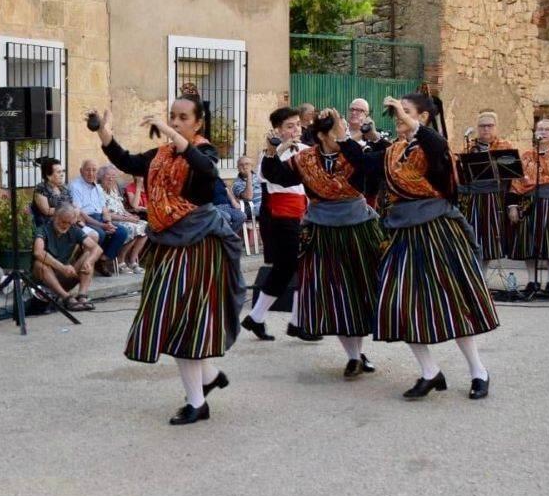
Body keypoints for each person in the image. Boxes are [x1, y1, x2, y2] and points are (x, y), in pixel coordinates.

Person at [92, 96, 246, 426]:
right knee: (177, 322)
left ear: (197, 123)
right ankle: (208, 377)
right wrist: (103, 133)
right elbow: (127, 161)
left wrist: (174, 138)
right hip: (168, 245)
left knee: (182, 324)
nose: (175, 122)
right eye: (172, 117)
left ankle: (197, 402)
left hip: (197, 247)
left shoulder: (204, 152)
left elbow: (206, 175)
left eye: (182, 117)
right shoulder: (160, 155)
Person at [377, 94, 498, 400]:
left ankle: (478, 371)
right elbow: (363, 165)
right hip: (403, 232)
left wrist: (410, 123)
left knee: (454, 303)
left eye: (405, 112)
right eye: (396, 113)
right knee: (400, 304)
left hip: (438, 231)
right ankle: (430, 372)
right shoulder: (393, 150)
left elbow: (436, 146)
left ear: (423, 118)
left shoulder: (433, 147)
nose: (398, 117)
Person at [259, 109, 383, 378]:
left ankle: (359, 353)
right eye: (336, 131)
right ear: (322, 136)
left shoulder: (352, 153)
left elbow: (371, 169)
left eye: (342, 130)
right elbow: (277, 175)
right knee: (334, 294)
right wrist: (271, 151)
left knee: (360, 291)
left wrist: (348, 139)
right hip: (323, 232)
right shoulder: (305, 159)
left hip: (358, 230)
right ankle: (353, 357)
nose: (342, 134)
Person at [243, 108, 320, 343]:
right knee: (287, 267)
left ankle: (283, 320)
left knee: (300, 267)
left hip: (304, 213)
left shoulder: (307, 150)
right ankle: (280, 321)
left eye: (297, 124)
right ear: (277, 130)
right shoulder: (269, 154)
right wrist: (278, 149)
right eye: (289, 126)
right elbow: (265, 176)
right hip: (281, 215)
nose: (296, 129)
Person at [507, 116, 549, 293]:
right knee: (529, 241)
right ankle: (532, 280)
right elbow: (515, 182)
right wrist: (513, 206)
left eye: (548, 129)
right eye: (540, 129)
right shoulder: (526, 156)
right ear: (535, 133)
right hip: (529, 202)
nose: (543, 132)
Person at [458, 110, 514, 267]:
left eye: (490, 126)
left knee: (489, 237)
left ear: (496, 127)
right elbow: (461, 173)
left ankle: (484, 274)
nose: (486, 129)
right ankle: (473, 273)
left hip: (494, 197)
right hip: (472, 197)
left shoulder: (505, 146)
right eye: (482, 126)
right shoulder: (470, 147)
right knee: (472, 234)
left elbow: (512, 175)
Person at [32, 204, 101, 310]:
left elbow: (97, 249)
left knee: (88, 256)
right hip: (46, 280)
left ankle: (82, 296)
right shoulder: (43, 229)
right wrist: (62, 267)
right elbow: (38, 252)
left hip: (65, 275)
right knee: (39, 264)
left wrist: (89, 261)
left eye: (69, 223)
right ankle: (66, 298)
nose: (66, 226)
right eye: (63, 222)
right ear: (55, 217)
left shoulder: (74, 229)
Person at [69, 158, 129, 276]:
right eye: (88, 170)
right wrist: (102, 225)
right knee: (100, 233)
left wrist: (109, 222)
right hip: (86, 219)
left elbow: (104, 209)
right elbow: (80, 213)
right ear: (81, 171)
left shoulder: (97, 187)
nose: (91, 173)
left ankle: (102, 260)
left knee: (121, 231)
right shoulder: (75, 186)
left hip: (100, 218)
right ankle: (92, 261)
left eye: (94, 170)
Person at [97, 164, 147, 272]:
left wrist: (129, 215)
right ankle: (120, 260)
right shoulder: (98, 191)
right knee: (133, 228)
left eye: (113, 176)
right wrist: (128, 219)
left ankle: (133, 261)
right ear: (101, 177)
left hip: (122, 217)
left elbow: (121, 208)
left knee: (146, 226)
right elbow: (106, 214)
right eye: (108, 176)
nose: (111, 178)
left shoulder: (114, 189)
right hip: (111, 220)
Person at [31, 157, 72, 224]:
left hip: (67, 222)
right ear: (48, 176)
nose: (62, 174)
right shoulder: (41, 189)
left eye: (62, 171)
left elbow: (72, 204)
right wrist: (67, 209)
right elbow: (47, 211)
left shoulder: (64, 187)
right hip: (49, 225)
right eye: (58, 172)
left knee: (91, 233)